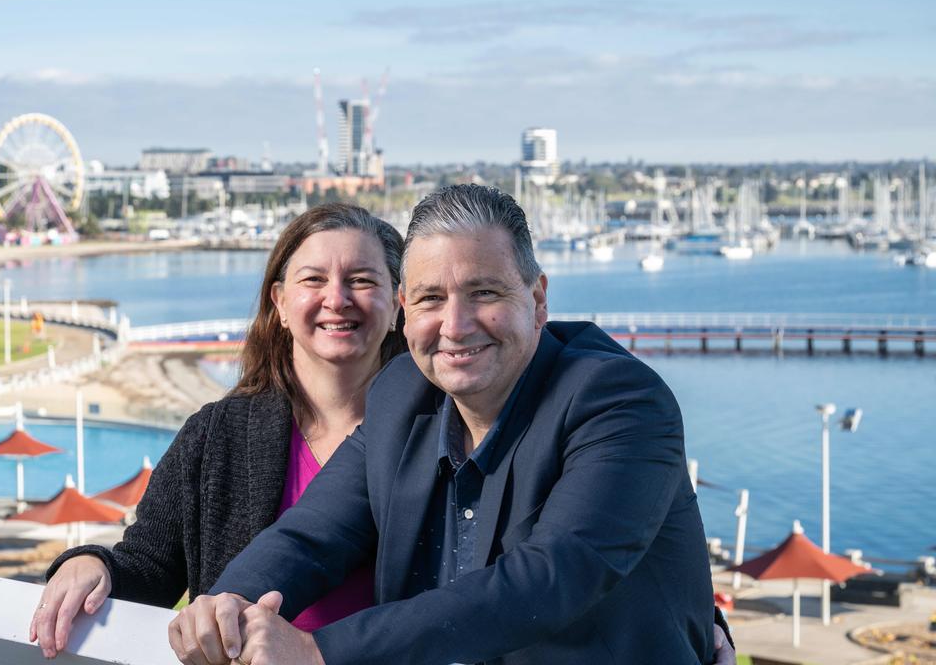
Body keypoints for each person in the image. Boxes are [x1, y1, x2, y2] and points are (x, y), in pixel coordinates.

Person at [171, 184, 726, 664]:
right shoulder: (400, 393)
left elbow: (550, 579)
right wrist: (230, 603)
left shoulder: (620, 403)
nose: (455, 326)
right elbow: (313, 534)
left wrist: (320, 653)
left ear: (536, 300)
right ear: (406, 310)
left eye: (484, 292)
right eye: (432, 298)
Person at [30, 203, 407, 658]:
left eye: (362, 280)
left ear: (397, 305)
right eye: (313, 279)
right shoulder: (216, 435)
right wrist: (93, 563)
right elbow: (150, 567)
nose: (337, 298)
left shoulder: (438, 435)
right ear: (281, 304)